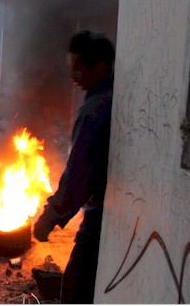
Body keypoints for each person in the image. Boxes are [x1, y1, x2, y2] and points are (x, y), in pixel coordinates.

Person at [33, 30, 115, 304]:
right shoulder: (114, 96)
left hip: (100, 217)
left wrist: (50, 216)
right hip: (119, 215)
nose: (73, 77)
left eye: (78, 69)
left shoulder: (95, 109)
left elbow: (79, 172)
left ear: (99, 67)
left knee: (76, 291)